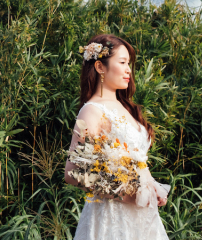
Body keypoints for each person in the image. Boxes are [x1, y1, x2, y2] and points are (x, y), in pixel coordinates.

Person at [65, 33, 170, 240]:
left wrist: (152, 186)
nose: (128, 69)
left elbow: (139, 161)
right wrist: (127, 192)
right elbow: (73, 172)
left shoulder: (126, 108)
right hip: (112, 217)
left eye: (128, 63)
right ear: (100, 67)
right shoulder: (92, 111)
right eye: (122, 62)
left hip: (144, 217)